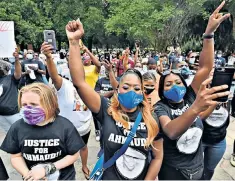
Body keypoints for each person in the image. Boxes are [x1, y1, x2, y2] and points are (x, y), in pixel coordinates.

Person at [66, 19, 163, 180]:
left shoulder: (152, 119)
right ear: (118, 89)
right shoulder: (107, 110)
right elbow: (79, 83)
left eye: (137, 88)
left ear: (142, 92)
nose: (131, 91)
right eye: (126, 87)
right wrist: (74, 42)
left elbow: (158, 157)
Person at [154, 2, 230, 180]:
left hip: (197, 169)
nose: (174, 86)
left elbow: (205, 66)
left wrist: (209, 34)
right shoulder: (160, 108)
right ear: (162, 91)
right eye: (168, 84)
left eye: (178, 82)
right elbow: (171, 131)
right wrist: (195, 108)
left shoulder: (189, 95)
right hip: (173, 172)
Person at [0, 83, 85, 180]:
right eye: (24, 104)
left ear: (49, 104)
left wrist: (47, 169)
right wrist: (28, 175)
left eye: (34, 104)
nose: (28, 108)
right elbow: (16, 157)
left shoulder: (65, 126)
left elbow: (74, 154)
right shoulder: (17, 128)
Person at [41, 42, 92, 180]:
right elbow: (54, 75)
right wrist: (49, 58)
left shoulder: (88, 84)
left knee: (83, 147)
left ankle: (84, 166)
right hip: (67, 129)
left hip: (84, 127)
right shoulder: (64, 85)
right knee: (63, 153)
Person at [0, 51, 22, 132]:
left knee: (20, 132)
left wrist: (16, 60)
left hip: (13, 114)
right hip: (1, 115)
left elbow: (18, 73)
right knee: (9, 134)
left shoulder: (11, 78)